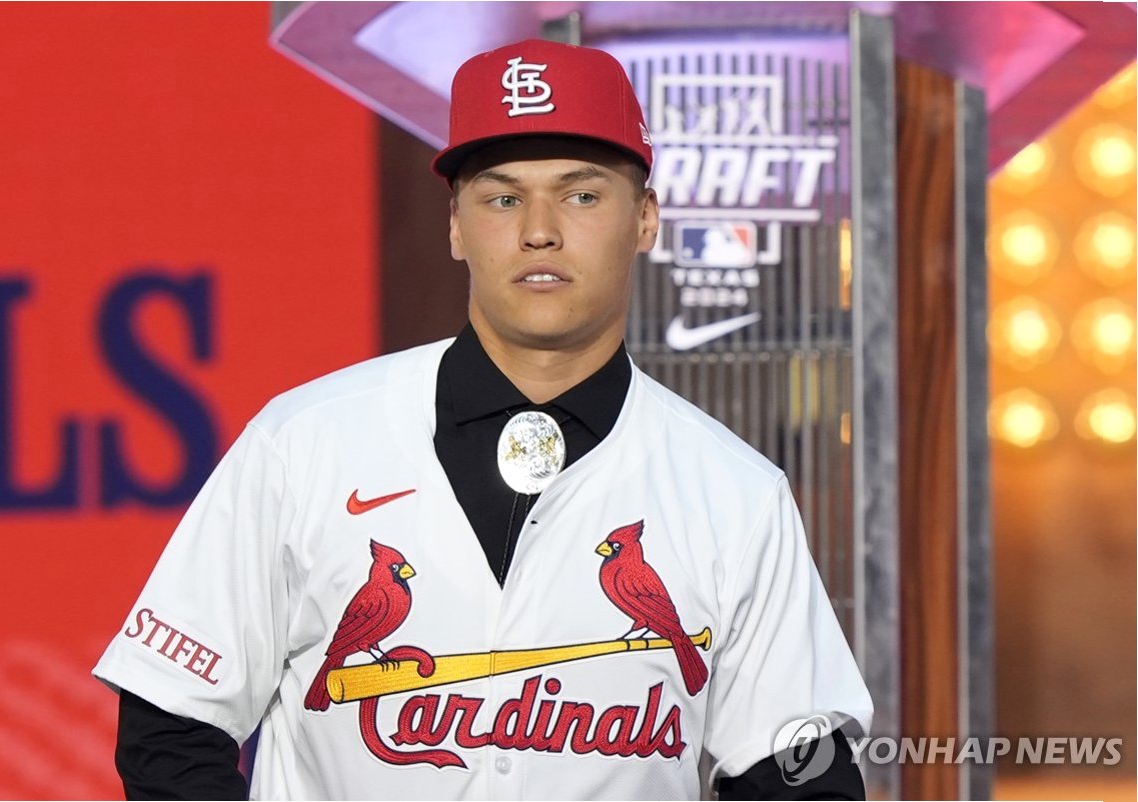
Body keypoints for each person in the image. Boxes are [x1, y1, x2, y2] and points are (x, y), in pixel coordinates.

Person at [94, 38, 873, 800]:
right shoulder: (303, 441)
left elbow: (801, 778)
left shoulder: (734, 493)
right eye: (502, 198)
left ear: (644, 219)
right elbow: (171, 727)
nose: (539, 230)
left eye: (581, 195)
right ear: (456, 226)